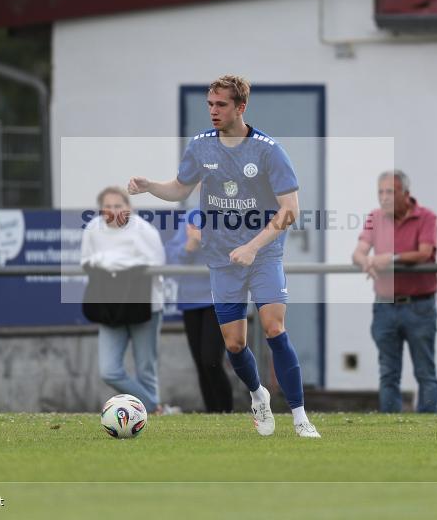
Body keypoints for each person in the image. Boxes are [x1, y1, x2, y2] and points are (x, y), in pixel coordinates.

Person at [128, 74, 320, 438]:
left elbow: (290, 209)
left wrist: (252, 246)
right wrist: (151, 186)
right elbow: (180, 188)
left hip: (263, 255)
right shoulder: (200, 146)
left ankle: (299, 417)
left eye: (221, 105)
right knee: (234, 344)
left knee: (274, 328)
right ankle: (258, 395)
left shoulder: (268, 150)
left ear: (241, 107)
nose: (213, 111)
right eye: (210, 105)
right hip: (221, 259)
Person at [352, 170, 437, 413]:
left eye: (390, 191)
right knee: (388, 373)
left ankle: (430, 430)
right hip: (385, 306)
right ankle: (391, 428)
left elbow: (424, 253)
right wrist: (366, 261)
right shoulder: (374, 217)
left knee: (425, 372)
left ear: (406, 194)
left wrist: (389, 258)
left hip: (420, 306)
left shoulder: (427, 217)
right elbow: (358, 252)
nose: (384, 197)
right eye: (380, 192)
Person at [80, 186, 168, 414]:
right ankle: (153, 407)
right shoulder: (92, 229)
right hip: (110, 307)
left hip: (145, 306)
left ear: (129, 207)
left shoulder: (144, 231)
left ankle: (153, 415)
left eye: (118, 205)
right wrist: (111, 262)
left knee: (145, 368)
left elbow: (157, 265)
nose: (113, 211)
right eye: (107, 206)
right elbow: (86, 261)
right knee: (109, 370)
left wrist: (113, 262)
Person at [165, 208, 234, 413]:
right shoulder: (191, 216)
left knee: (211, 360)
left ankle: (225, 412)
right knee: (201, 363)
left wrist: (207, 242)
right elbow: (174, 257)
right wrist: (191, 244)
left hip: (219, 298)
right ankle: (213, 414)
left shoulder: (234, 215)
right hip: (190, 299)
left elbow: (238, 255)